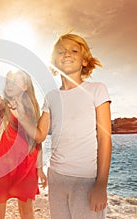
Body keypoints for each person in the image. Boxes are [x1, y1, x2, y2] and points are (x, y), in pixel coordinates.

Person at [19, 33, 112, 218]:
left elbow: (104, 138)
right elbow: (39, 135)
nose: (67, 54)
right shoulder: (51, 97)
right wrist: (17, 112)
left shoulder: (97, 90)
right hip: (56, 177)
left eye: (74, 50)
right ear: (54, 62)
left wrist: (101, 184)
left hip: (86, 178)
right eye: (61, 52)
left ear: (84, 61)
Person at [0, 70, 47, 219]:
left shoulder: (29, 109)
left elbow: (37, 140)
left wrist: (40, 168)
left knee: (26, 211)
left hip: (25, 166)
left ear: (24, 86)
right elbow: (3, 105)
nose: (9, 84)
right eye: (8, 81)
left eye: (14, 81)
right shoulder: (7, 106)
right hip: (2, 164)